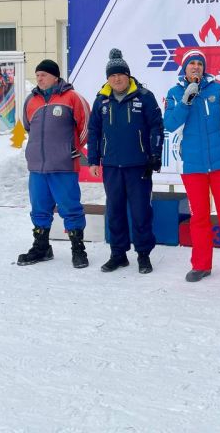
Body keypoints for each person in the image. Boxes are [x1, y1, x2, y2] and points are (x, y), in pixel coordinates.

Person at [163, 49, 220, 282]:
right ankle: (201, 265)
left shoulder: (218, 90)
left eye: (200, 64)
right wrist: (185, 101)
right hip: (192, 166)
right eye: (192, 63)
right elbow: (170, 124)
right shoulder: (174, 93)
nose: (196, 67)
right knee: (199, 217)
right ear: (184, 68)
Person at [88, 49, 164, 275]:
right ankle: (118, 254)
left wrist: (155, 154)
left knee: (141, 212)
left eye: (120, 74)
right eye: (112, 75)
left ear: (128, 75)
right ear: (107, 79)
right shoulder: (101, 100)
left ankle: (143, 254)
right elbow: (94, 131)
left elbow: (156, 126)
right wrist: (93, 160)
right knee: (115, 212)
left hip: (138, 166)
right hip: (112, 166)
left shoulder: (144, 96)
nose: (117, 79)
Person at [17, 59, 91, 269]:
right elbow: (29, 127)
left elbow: (86, 126)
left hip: (63, 166)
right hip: (37, 167)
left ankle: (78, 249)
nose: (39, 78)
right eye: (37, 75)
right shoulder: (30, 100)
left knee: (70, 207)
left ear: (55, 77)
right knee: (39, 208)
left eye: (44, 75)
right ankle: (42, 247)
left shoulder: (72, 97)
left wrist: (72, 148)